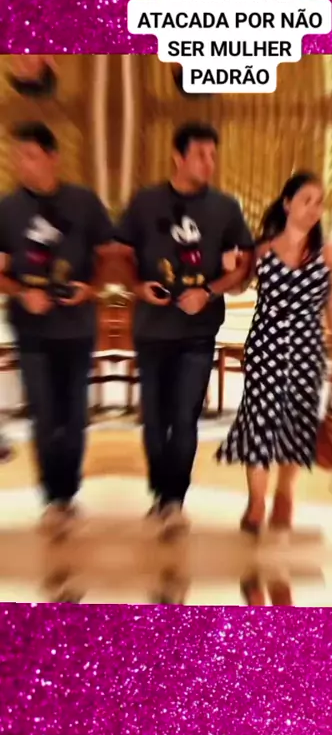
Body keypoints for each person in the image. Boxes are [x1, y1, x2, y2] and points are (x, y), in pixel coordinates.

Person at [116, 121, 254, 535]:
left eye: (213, 155)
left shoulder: (225, 207)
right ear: (177, 156)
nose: (209, 163)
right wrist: (137, 286)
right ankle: (161, 494)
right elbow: (120, 254)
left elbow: (245, 265)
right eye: (200, 155)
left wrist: (208, 291)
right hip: (151, 330)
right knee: (155, 421)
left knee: (185, 416)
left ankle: (175, 501)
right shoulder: (146, 202)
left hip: (198, 331)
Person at [216, 171, 332, 535]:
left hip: (307, 348)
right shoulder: (262, 249)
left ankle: (285, 493)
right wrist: (230, 267)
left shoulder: (329, 253)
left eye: (319, 202)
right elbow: (238, 286)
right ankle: (256, 502)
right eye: (307, 200)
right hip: (266, 346)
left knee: (298, 422)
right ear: (287, 204)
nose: (314, 209)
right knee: (260, 419)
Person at [0, 121, 113, 529]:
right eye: (18, 156)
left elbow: (110, 256)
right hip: (31, 330)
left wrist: (92, 288)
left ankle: (69, 491)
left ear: (53, 157)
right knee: (45, 415)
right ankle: (54, 498)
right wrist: (21, 292)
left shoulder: (84, 202)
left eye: (30, 155)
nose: (22, 164)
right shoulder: (7, 209)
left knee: (74, 415)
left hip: (77, 327)